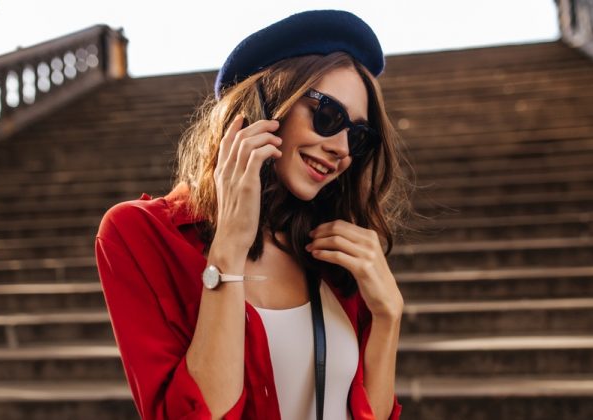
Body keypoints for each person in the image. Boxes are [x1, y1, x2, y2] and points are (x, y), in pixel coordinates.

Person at [95, 9, 415, 420]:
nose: (342, 149)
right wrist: (229, 245)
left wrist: (388, 318)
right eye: (328, 116)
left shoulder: (335, 246)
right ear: (266, 104)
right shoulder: (139, 233)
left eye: (357, 135)